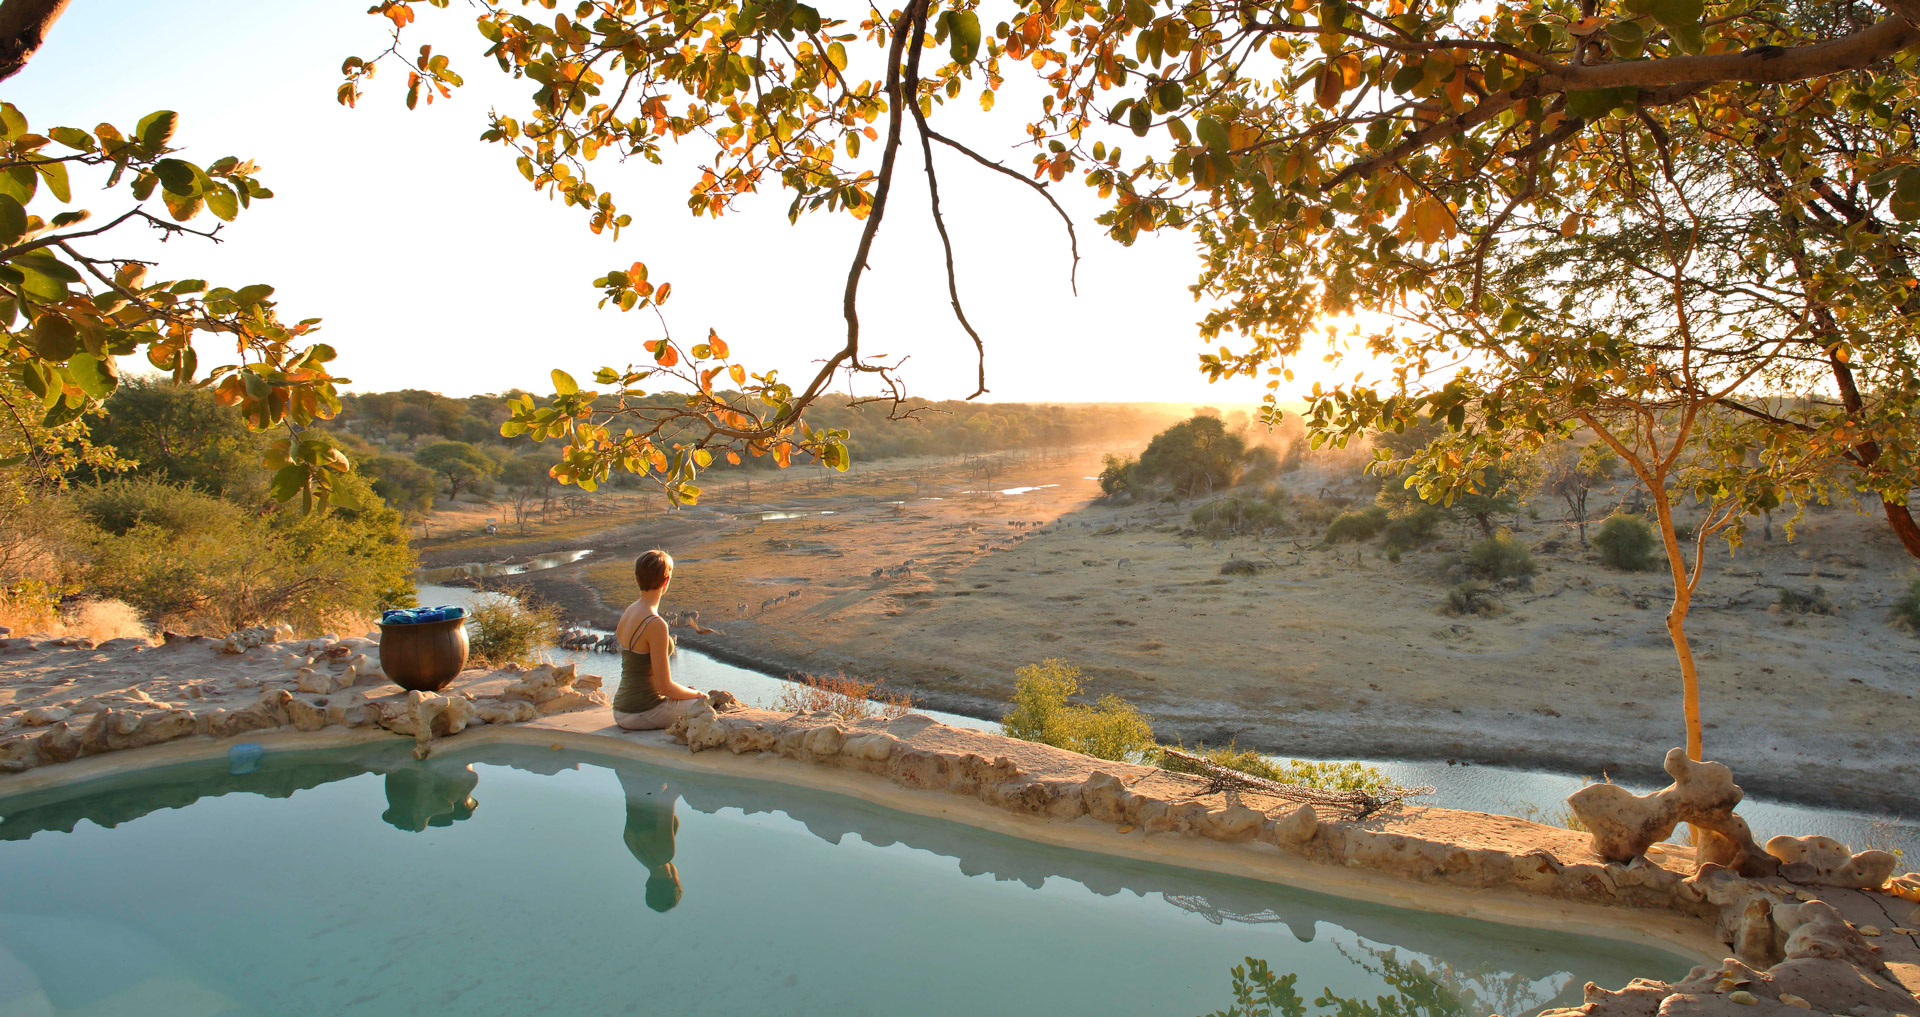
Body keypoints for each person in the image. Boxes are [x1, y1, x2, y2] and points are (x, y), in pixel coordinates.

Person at [611, 548, 709, 730]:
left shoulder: (630, 611)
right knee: (705, 706)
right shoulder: (655, 624)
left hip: (620, 709)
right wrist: (697, 694)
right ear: (666, 581)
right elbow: (664, 687)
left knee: (688, 696)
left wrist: (685, 693)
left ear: (636, 579)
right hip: (642, 712)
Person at [617, 770, 684, 912]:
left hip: (650, 776)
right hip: (626, 774)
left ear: (675, 881)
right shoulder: (633, 847)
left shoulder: (663, 854)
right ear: (648, 883)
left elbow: (668, 797)